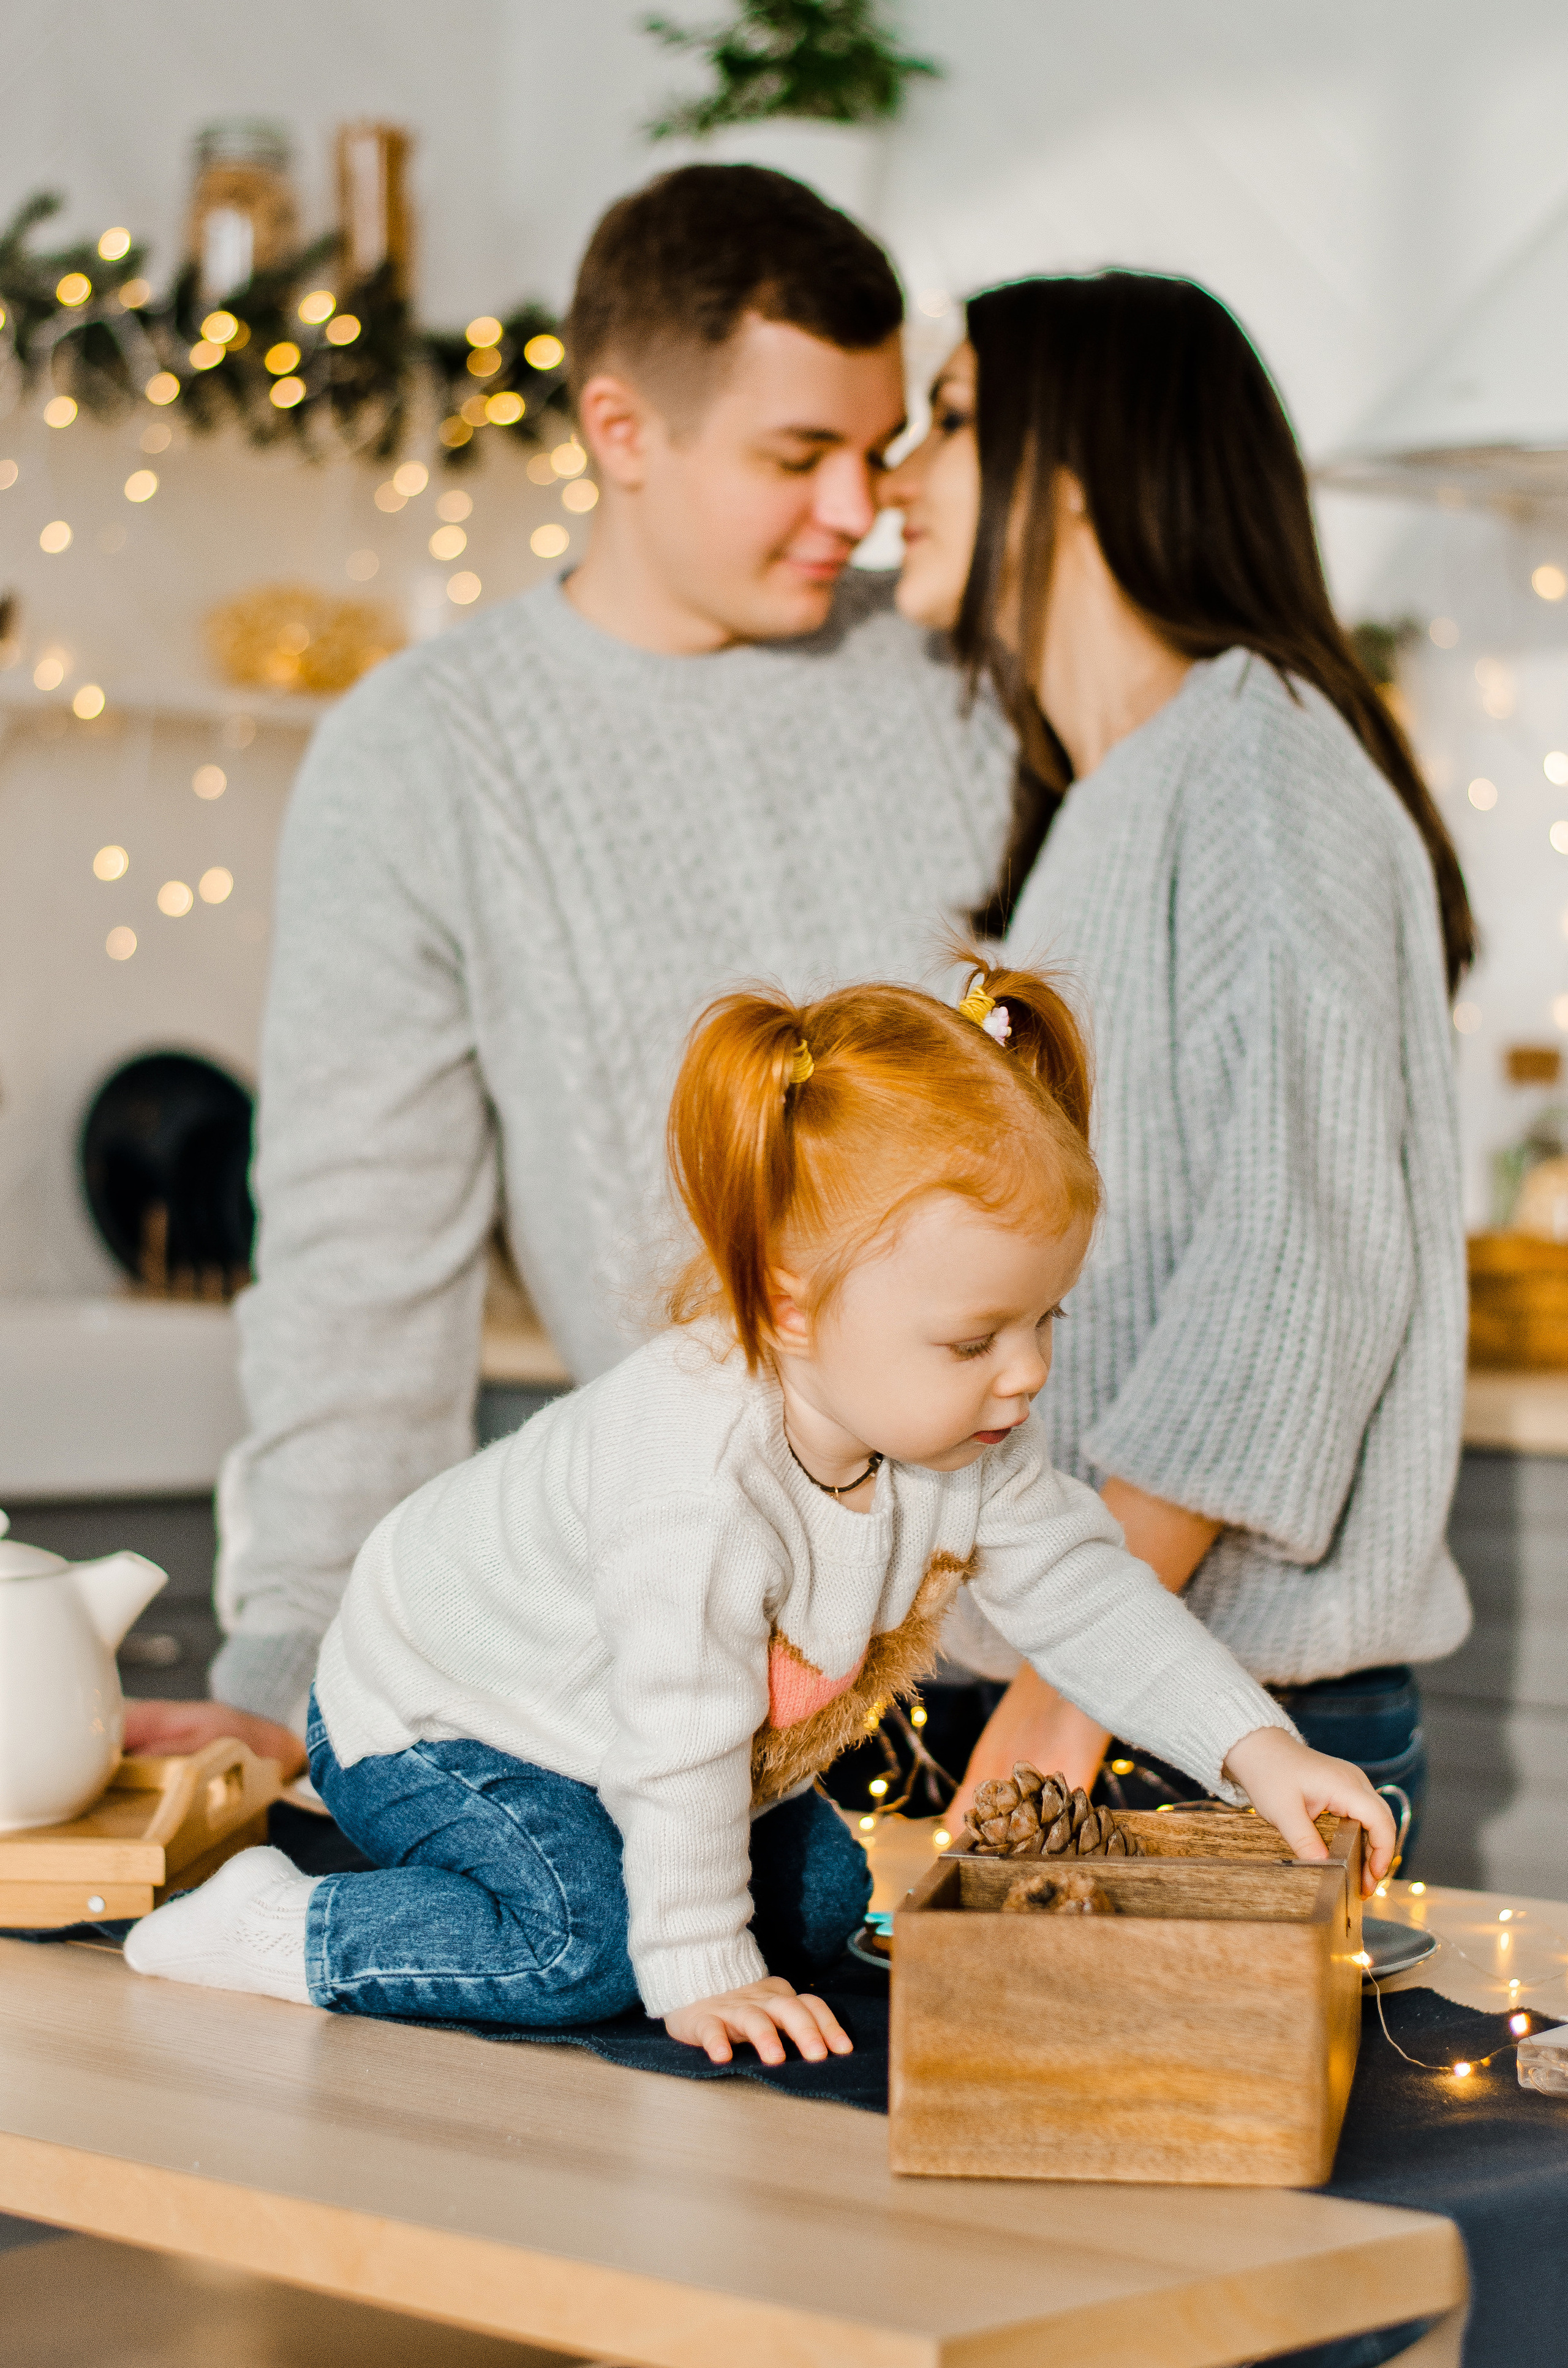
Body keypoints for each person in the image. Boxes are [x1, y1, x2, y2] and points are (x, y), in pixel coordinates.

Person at [123, 165, 1014, 1779]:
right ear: (620, 432)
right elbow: (359, 1276)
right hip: (719, 1692)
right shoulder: (426, 752)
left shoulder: (968, 675)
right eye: (796, 456)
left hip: (1064, 1659)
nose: (857, 509)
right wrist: (292, 1669)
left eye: (878, 452)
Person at [124, 960, 1396, 2053]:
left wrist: (1254, 1748)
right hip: (427, 1710)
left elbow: (1088, 1593)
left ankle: (508, 1900)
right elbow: (678, 1732)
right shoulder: (693, 1474)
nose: (1027, 1372)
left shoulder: (963, 1437)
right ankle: (284, 1922)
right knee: (586, 1947)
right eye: (974, 1338)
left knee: (823, 1900)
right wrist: (695, 1967)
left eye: (1042, 1319)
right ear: (790, 1302)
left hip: (606, 1733)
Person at [883, 272, 1474, 1846]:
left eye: (947, 423)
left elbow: (1296, 1271)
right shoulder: (1113, 791)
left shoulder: (1258, 755)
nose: (893, 474)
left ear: (1071, 469)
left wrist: (1068, 1692)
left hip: (1192, 1716)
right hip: (1097, 1691)